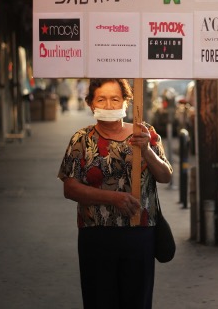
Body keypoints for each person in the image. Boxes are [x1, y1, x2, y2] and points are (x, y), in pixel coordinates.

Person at [58, 78, 172, 309]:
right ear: (91, 104)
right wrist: (114, 198)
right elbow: (70, 188)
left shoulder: (145, 133)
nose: (109, 105)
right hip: (96, 236)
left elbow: (165, 176)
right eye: (101, 99)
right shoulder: (81, 139)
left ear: (126, 102)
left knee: (137, 301)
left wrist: (147, 151)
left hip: (139, 235)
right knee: (99, 300)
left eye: (115, 99)